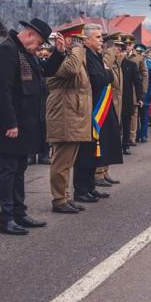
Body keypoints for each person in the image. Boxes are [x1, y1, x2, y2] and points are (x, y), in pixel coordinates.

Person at [0, 18, 65, 235]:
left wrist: (58, 53)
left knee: (19, 169)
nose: (40, 48)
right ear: (30, 34)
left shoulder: (25, 53)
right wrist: (10, 123)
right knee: (8, 171)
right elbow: (3, 91)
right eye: (39, 43)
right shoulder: (7, 51)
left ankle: (19, 213)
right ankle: (6, 218)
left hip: (26, 124)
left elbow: (45, 72)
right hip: (11, 125)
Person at [73, 24, 123, 203]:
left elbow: (106, 76)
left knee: (95, 150)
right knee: (85, 152)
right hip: (90, 109)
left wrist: (107, 74)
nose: (101, 40)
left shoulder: (97, 55)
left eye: (101, 37)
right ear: (86, 40)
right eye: (97, 37)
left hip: (98, 109)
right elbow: (99, 78)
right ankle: (80, 190)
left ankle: (90, 187)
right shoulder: (86, 56)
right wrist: (108, 74)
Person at [46, 25, 92, 214]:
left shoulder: (69, 57)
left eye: (79, 40)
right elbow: (72, 70)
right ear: (64, 40)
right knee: (61, 161)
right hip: (64, 115)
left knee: (68, 161)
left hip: (72, 115)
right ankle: (58, 199)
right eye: (75, 39)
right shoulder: (57, 60)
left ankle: (64, 197)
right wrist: (77, 48)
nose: (79, 44)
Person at [95, 33, 125, 187]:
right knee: (103, 139)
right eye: (116, 47)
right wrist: (109, 51)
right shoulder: (105, 60)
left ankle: (105, 171)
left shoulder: (116, 63)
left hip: (114, 104)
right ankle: (99, 173)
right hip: (105, 104)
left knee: (111, 139)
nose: (119, 50)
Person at [123, 34, 149, 147]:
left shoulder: (139, 57)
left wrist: (142, 91)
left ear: (133, 45)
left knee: (133, 114)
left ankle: (132, 137)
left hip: (133, 89)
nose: (127, 46)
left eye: (129, 44)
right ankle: (123, 137)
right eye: (126, 44)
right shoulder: (120, 55)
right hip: (121, 89)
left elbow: (144, 74)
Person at [121, 41, 143, 156]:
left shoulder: (131, 65)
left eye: (123, 51)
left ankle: (126, 146)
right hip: (114, 99)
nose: (120, 54)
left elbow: (138, 82)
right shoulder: (113, 65)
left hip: (127, 98)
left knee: (126, 123)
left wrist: (140, 97)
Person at [136, 44, 151, 143]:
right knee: (135, 116)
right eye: (138, 51)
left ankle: (143, 135)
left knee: (144, 117)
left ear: (144, 53)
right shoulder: (132, 61)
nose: (139, 53)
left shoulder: (149, 64)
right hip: (135, 93)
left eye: (141, 52)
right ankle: (136, 134)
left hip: (146, 94)